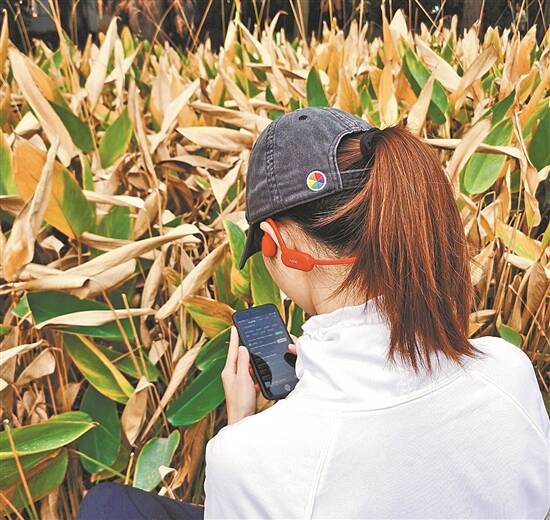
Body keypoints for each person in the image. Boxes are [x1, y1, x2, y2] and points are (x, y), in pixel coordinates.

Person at [77, 108, 549, 519]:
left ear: (278, 244)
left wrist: (244, 432)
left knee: (107, 507)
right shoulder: (508, 372)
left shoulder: (250, 462)